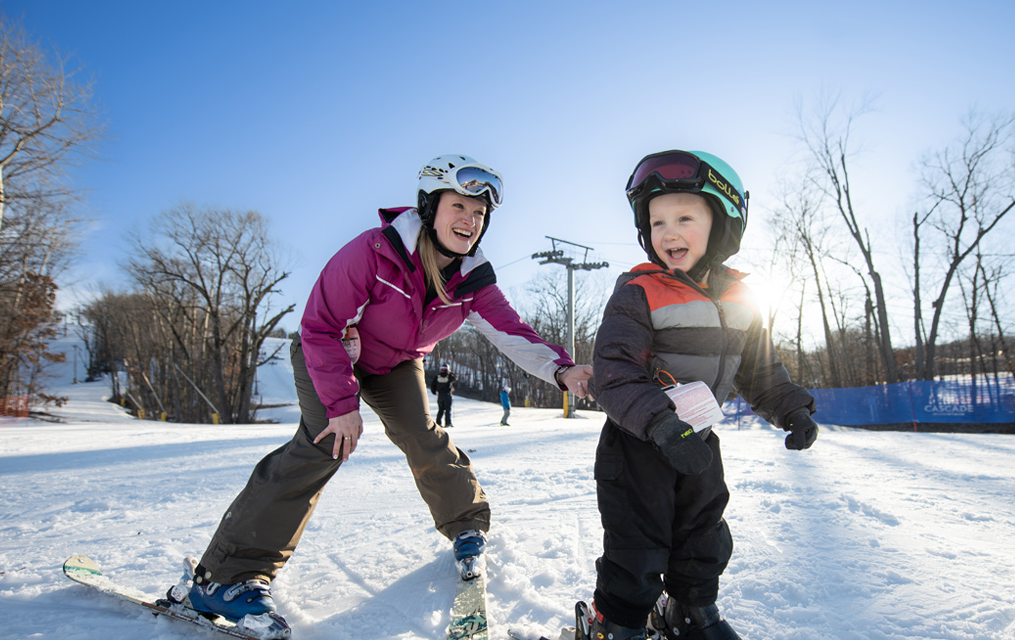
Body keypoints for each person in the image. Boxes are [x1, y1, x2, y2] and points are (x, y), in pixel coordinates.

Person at [176, 154, 593, 638]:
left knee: (422, 432)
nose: (470, 220)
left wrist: (561, 369)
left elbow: (511, 331)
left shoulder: (471, 279)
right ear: (430, 206)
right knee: (323, 444)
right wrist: (341, 406)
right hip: (330, 351)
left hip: (397, 361)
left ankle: (466, 526)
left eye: (479, 213)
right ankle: (225, 576)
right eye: (459, 206)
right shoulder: (373, 253)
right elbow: (319, 327)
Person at [581, 150, 820, 640]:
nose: (668, 232)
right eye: (657, 221)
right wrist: (660, 423)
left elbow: (758, 369)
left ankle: (690, 610)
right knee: (637, 544)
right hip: (639, 443)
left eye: (685, 217)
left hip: (699, 441)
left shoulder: (742, 299)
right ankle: (616, 623)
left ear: (723, 223)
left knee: (703, 535)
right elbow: (614, 371)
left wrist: (791, 407)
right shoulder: (639, 290)